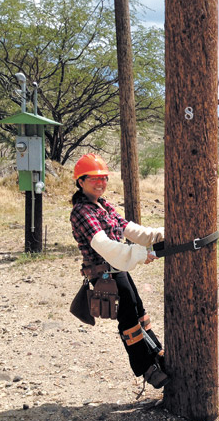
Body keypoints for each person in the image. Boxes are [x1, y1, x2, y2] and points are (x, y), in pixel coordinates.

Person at [70, 153, 169, 389]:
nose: (100, 183)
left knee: (139, 312)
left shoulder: (103, 205)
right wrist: (139, 254)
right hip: (104, 274)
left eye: (103, 178)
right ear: (80, 182)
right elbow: (105, 247)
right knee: (128, 319)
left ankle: (157, 352)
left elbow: (128, 229)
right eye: (94, 178)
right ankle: (145, 367)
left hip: (115, 270)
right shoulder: (82, 212)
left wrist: (159, 234)